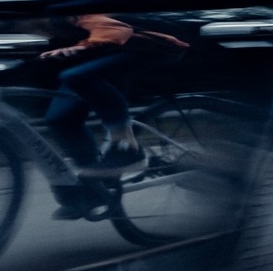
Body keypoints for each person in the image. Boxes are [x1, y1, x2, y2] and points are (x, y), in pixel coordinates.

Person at [40, 13, 187, 218]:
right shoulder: (25, 30)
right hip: (101, 58)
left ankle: (126, 148)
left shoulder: (69, 17)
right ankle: (96, 188)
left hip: (152, 48)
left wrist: (79, 47)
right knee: (59, 119)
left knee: (75, 76)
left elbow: (117, 31)